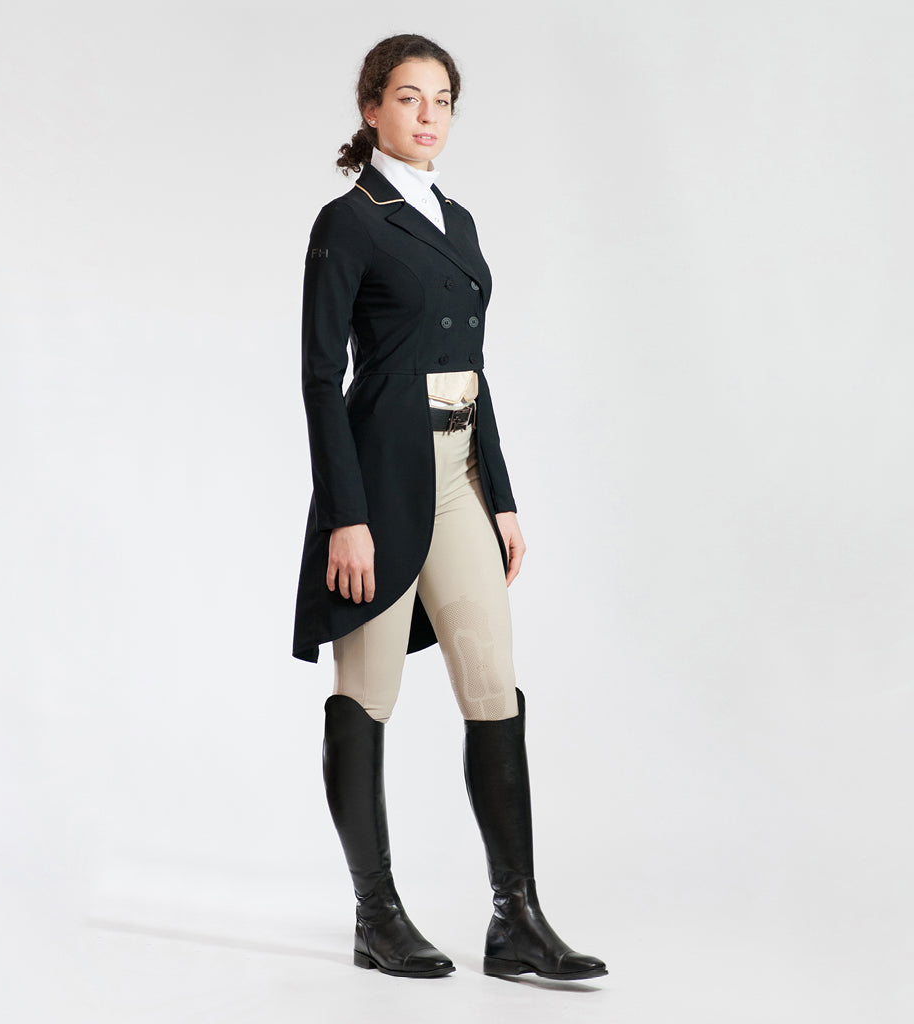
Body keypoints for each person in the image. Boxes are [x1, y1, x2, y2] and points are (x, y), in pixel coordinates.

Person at [292, 33, 607, 982]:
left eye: (442, 100)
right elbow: (320, 377)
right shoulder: (349, 220)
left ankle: (517, 922)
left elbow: (475, 367)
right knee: (366, 693)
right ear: (372, 109)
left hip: (462, 475)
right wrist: (346, 515)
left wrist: (501, 498)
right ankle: (376, 915)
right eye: (408, 97)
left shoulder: (457, 219)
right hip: (380, 483)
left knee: (494, 688)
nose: (428, 115)